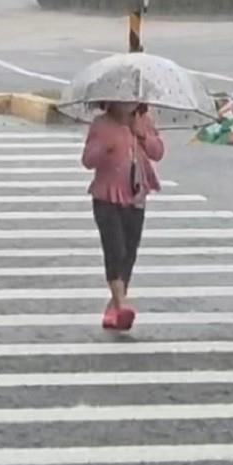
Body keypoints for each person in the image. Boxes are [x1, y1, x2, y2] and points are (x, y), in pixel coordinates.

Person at [81, 102, 164, 331]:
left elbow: (158, 152)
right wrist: (103, 148)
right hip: (106, 197)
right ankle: (121, 303)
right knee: (114, 249)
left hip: (135, 196)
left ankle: (115, 306)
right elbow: (88, 160)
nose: (127, 104)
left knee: (129, 251)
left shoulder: (144, 121)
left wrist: (143, 135)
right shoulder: (102, 124)